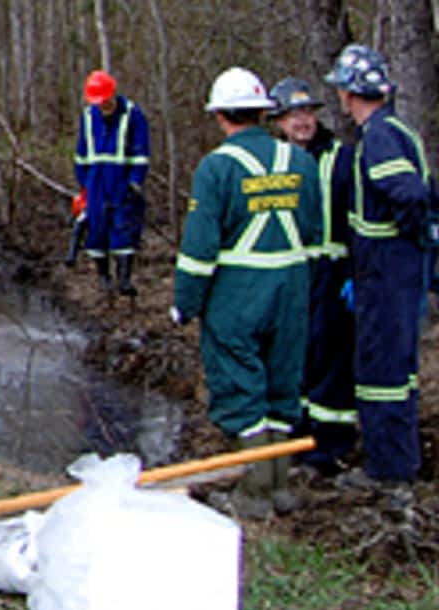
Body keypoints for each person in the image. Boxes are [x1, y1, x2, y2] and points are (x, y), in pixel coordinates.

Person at [173, 67, 321, 517]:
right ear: (263, 112)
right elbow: (314, 230)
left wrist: (186, 303)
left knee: (242, 388)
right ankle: (279, 487)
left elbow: (199, 249)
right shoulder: (300, 161)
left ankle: (254, 494)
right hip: (292, 291)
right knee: (282, 387)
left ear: (220, 117)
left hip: (237, 296)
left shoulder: (216, 168)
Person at [323, 44, 430, 505]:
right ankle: (401, 460)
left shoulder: (381, 137)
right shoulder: (397, 130)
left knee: (381, 373)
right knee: (397, 371)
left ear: (350, 94)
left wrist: (406, 237)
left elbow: (408, 193)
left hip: (386, 275)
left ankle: (388, 472)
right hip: (392, 272)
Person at [267, 76, 358, 478]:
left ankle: (331, 448)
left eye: (307, 113)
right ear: (279, 121)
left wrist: (356, 272)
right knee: (294, 356)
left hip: (333, 271)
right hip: (290, 273)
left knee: (331, 356)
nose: (302, 121)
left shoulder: (341, 158)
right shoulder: (273, 160)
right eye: (293, 114)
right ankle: (297, 438)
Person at [73, 69, 150, 295]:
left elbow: (141, 152)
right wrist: (84, 185)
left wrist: (136, 181)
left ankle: (124, 279)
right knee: (96, 231)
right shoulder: (88, 117)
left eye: (105, 101)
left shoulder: (133, 114)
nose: (102, 105)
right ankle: (104, 278)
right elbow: (81, 155)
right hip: (96, 182)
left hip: (122, 182)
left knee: (124, 228)